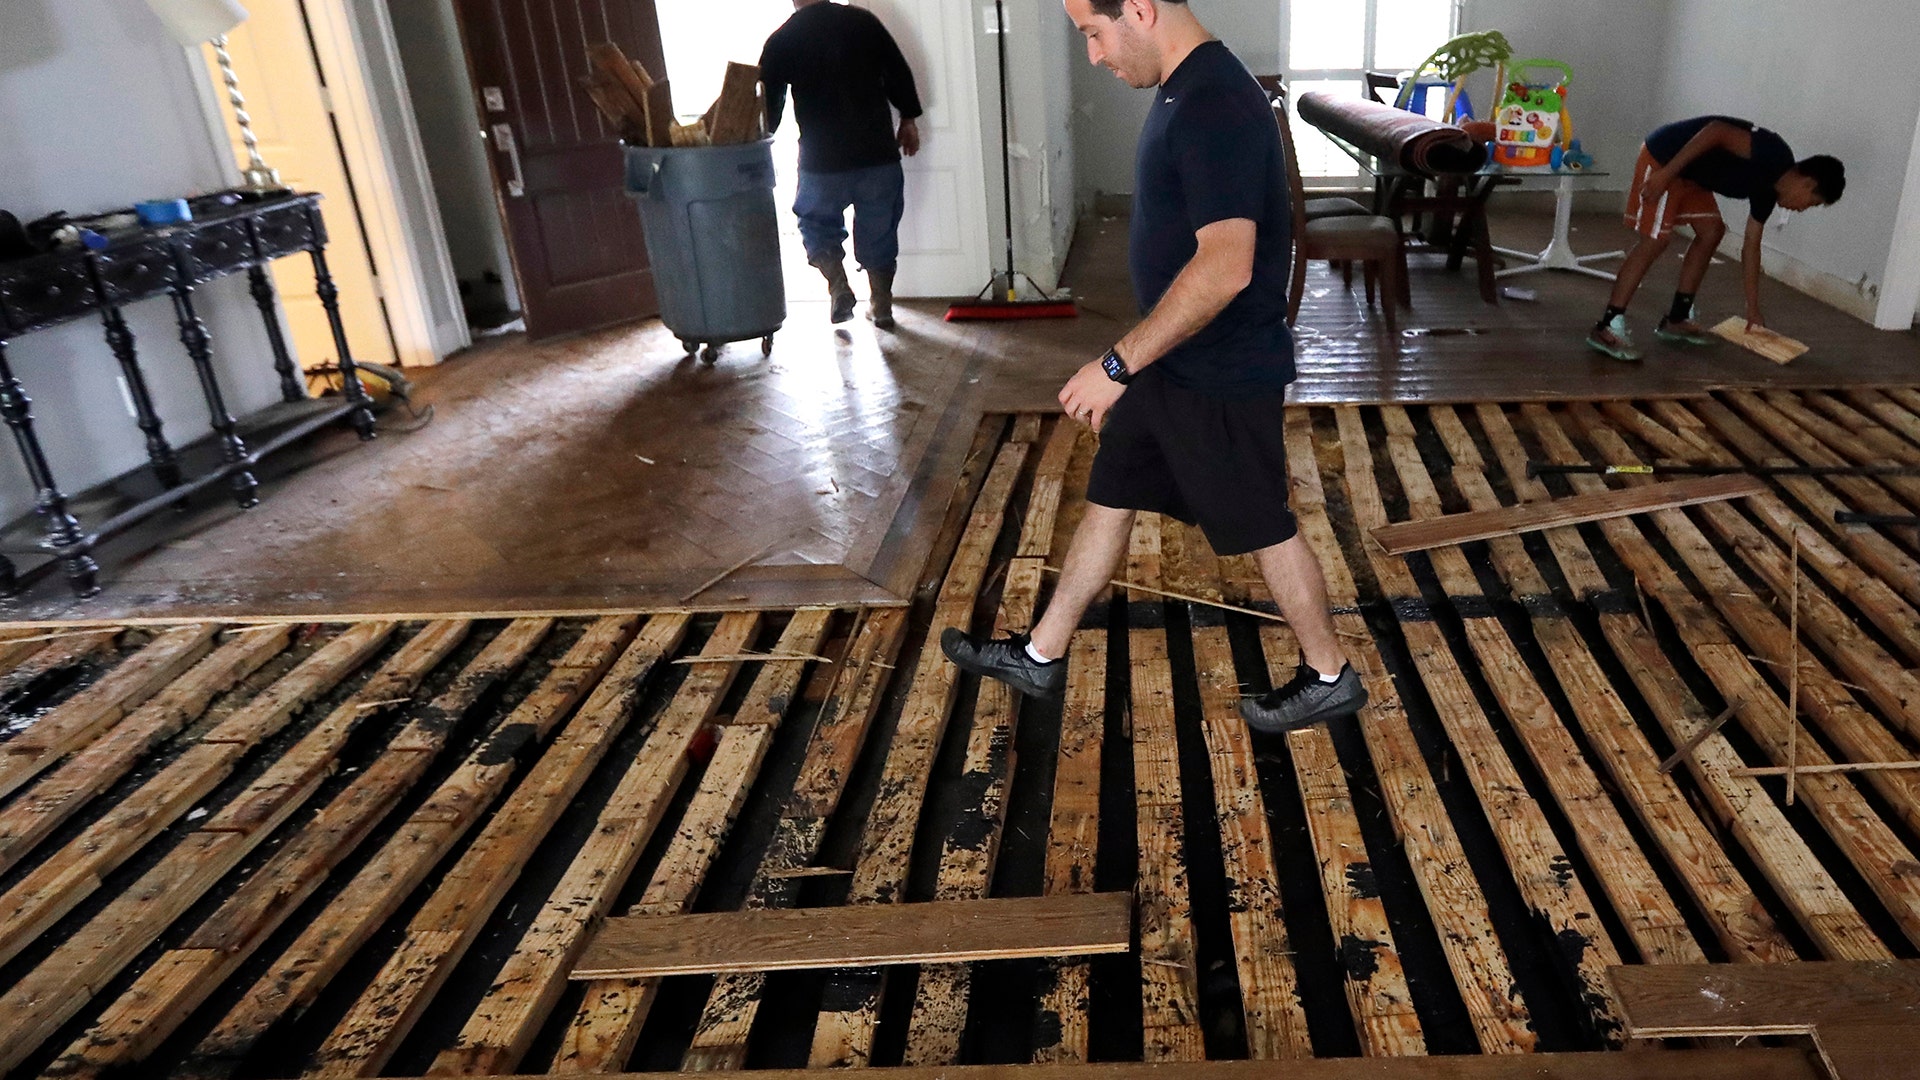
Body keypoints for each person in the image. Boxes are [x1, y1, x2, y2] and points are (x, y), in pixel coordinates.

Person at [941, 0, 1365, 734]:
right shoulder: (1186, 86)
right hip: (1174, 362)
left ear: (1138, 9)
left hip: (1219, 374)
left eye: (1095, 34)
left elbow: (1227, 267)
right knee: (1112, 490)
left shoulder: (1215, 103)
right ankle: (1041, 655)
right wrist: (1137, 364)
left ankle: (1329, 673)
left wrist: (1116, 362)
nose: (1096, 57)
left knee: (1262, 524)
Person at [1588, 115, 1844, 361]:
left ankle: (1677, 319)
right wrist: (1665, 175)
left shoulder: (1768, 193)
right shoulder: (1772, 152)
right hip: (1666, 159)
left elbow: (1751, 247)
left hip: (1692, 176)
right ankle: (1607, 327)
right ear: (1807, 184)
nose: (1800, 209)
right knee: (1655, 240)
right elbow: (1717, 130)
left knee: (1712, 231)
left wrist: (1752, 309)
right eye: (1809, 203)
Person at [759, 0, 922, 329]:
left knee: (815, 224)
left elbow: (769, 104)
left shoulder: (783, 39)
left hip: (821, 160)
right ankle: (881, 305)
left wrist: (762, 136)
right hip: (876, 153)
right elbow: (896, 71)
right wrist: (908, 118)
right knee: (879, 228)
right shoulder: (862, 22)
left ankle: (838, 286)